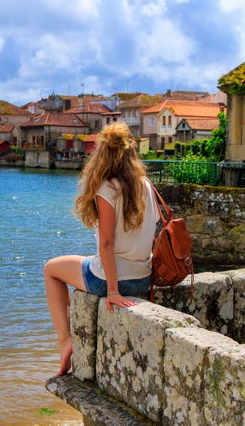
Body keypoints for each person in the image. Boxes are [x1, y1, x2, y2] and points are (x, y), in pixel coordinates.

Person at [43, 122, 159, 376]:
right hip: (143, 279)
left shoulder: (108, 187)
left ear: (101, 154)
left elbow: (107, 243)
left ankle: (65, 340)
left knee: (51, 269)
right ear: (131, 153)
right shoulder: (146, 185)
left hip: (114, 282)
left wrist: (113, 291)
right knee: (85, 260)